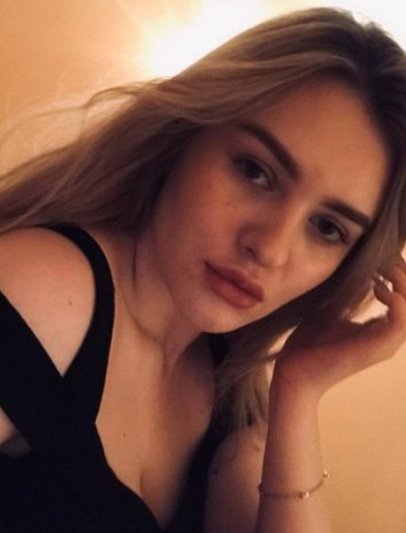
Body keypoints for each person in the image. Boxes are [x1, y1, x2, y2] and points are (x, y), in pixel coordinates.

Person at [0, 6, 405, 533]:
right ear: (183, 137)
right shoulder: (45, 291)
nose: (271, 249)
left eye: (327, 228)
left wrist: (299, 392)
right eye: (255, 171)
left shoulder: (228, 385)